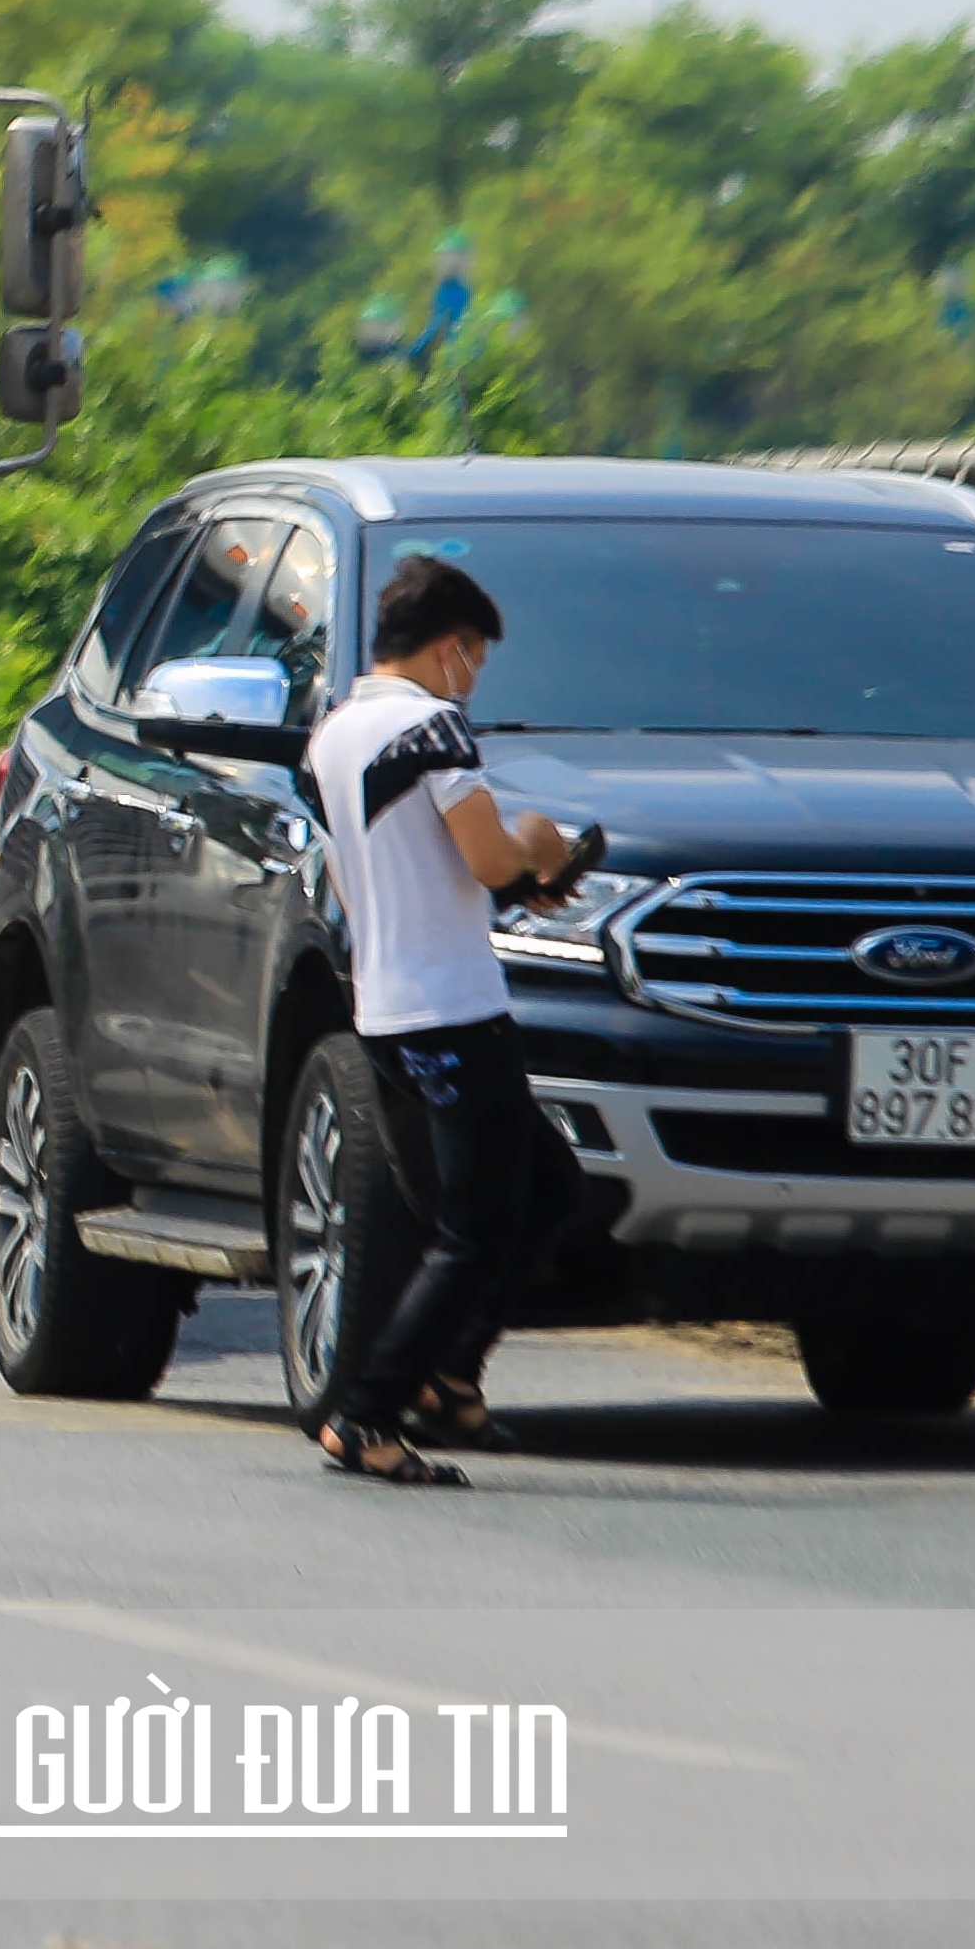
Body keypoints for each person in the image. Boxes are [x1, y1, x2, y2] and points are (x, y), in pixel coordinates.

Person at [298, 552, 586, 1487]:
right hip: (454, 1010)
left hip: (385, 1004)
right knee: (474, 1227)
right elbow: (490, 859)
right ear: (453, 649)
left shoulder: (333, 735)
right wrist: (542, 845)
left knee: (544, 1184)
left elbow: (380, 869)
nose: (474, 681)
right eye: (477, 661)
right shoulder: (433, 728)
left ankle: (451, 1377)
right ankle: (368, 1412)